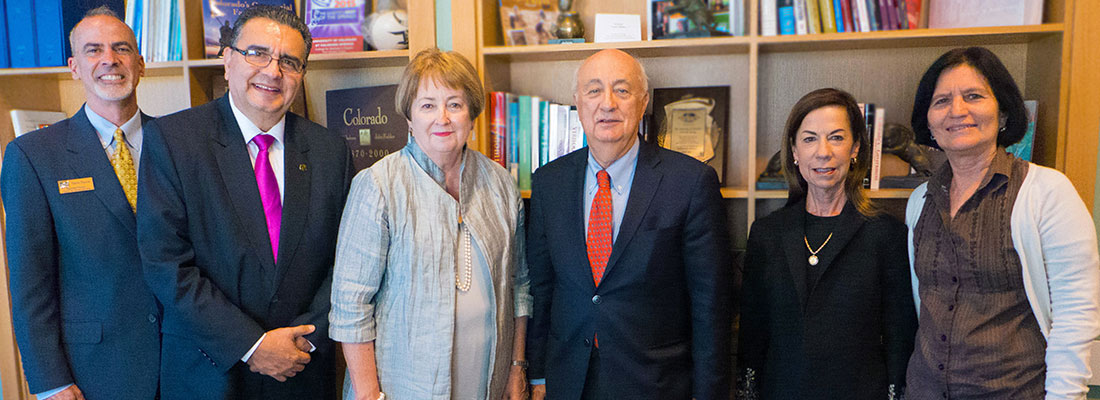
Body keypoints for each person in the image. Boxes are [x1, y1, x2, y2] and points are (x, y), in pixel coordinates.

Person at [136, 5, 353, 399]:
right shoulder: (174, 140)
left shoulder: (330, 151)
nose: (273, 71)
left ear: (302, 74)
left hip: (302, 372)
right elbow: (166, 264)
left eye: (290, 61)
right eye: (257, 53)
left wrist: (307, 339)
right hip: (208, 373)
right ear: (227, 60)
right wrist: (252, 346)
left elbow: (347, 261)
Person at [525, 48, 733, 400]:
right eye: (594, 90)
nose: (607, 103)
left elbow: (710, 303)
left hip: (656, 383)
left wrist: (708, 392)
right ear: (577, 102)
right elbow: (542, 289)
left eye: (622, 90)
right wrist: (538, 374)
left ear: (643, 101)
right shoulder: (548, 182)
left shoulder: (691, 182)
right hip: (569, 380)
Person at [328, 48, 531, 400]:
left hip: (488, 382)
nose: (443, 118)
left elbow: (520, 287)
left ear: (472, 114)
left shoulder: (500, 183)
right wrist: (368, 393)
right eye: (427, 105)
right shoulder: (378, 185)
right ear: (409, 117)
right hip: (399, 388)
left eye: (455, 104)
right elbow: (350, 305)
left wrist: (516, 367)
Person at [904, 46, 1100, 399]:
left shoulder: (1046, 193)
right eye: (942, 101)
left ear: (1004, 112)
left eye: (973, 96)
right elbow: (925, 304)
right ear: (929, 122)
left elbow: (1076, 315)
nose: (957, 111)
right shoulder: (920, 201)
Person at [1, 7, 159, 400]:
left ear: (140, 64)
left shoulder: (179, 143)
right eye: (94, 50)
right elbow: (30, 284)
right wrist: (49, 381)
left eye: (122, 48)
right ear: (74, 67)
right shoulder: (33, 155)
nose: (110, 59)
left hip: (185, 363)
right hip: (94, 373)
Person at [736, 88, 917, 400]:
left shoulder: (886, 234)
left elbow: (900, 336)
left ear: (856, 147)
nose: (823, 152)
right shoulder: (766, 234)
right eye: (809, 139)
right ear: (793, 151)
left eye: (836, 137)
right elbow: (753, 334)